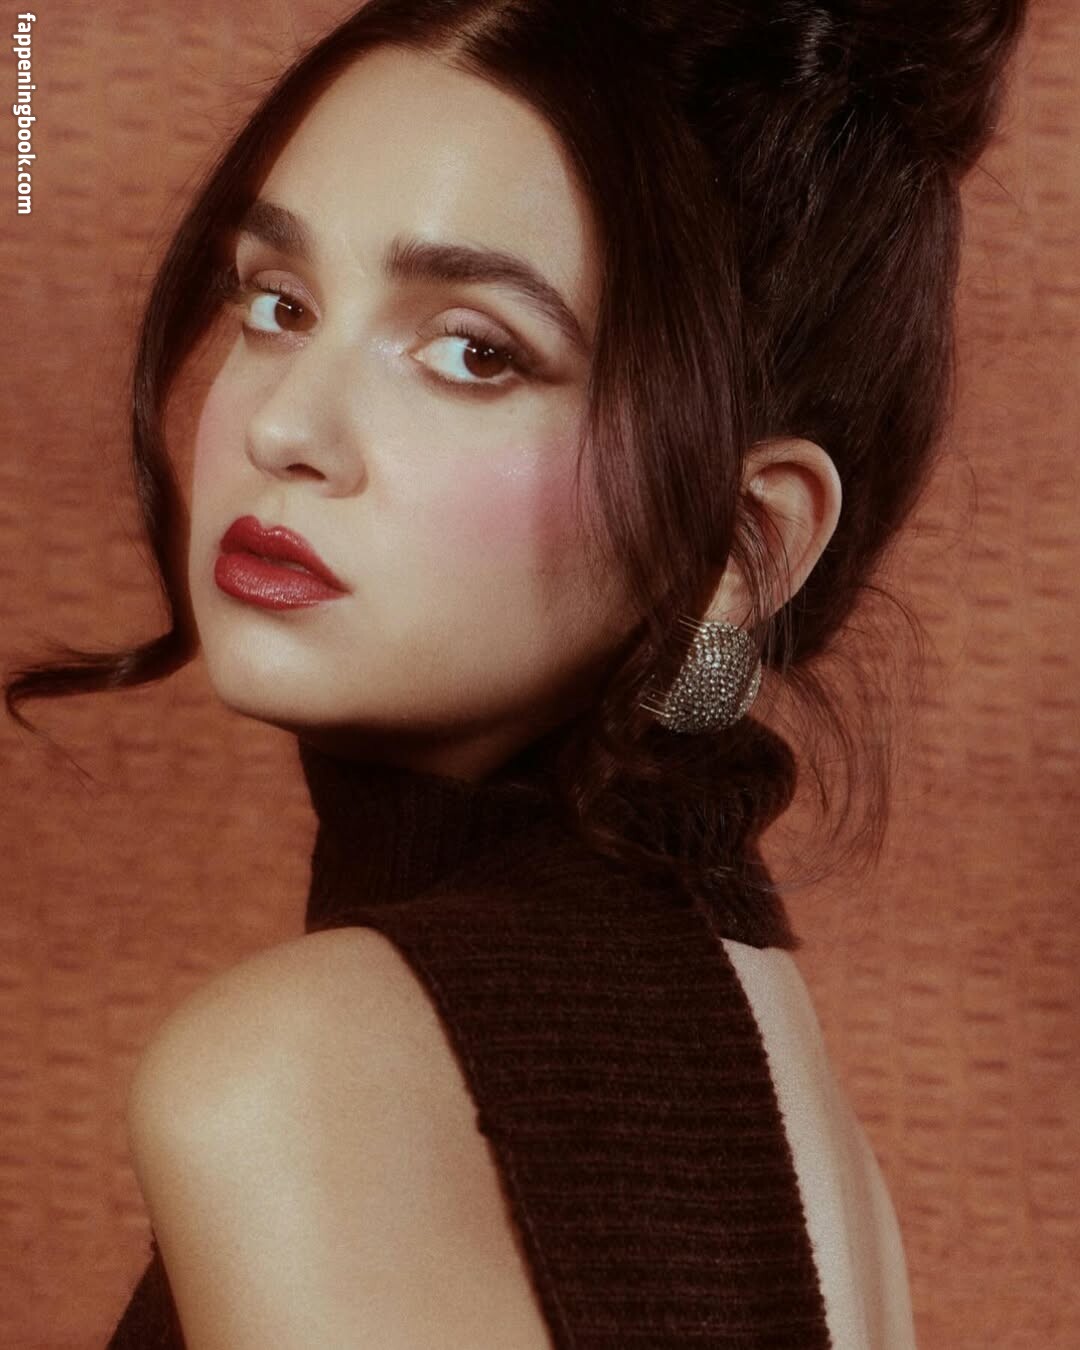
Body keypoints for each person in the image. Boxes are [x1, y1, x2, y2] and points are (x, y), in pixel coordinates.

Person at [3, 1, 1029, 1345]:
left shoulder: (304, 1076)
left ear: (741, 543)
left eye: (475, 352)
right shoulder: (780, 1075)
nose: (286, 427)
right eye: (278, 303)